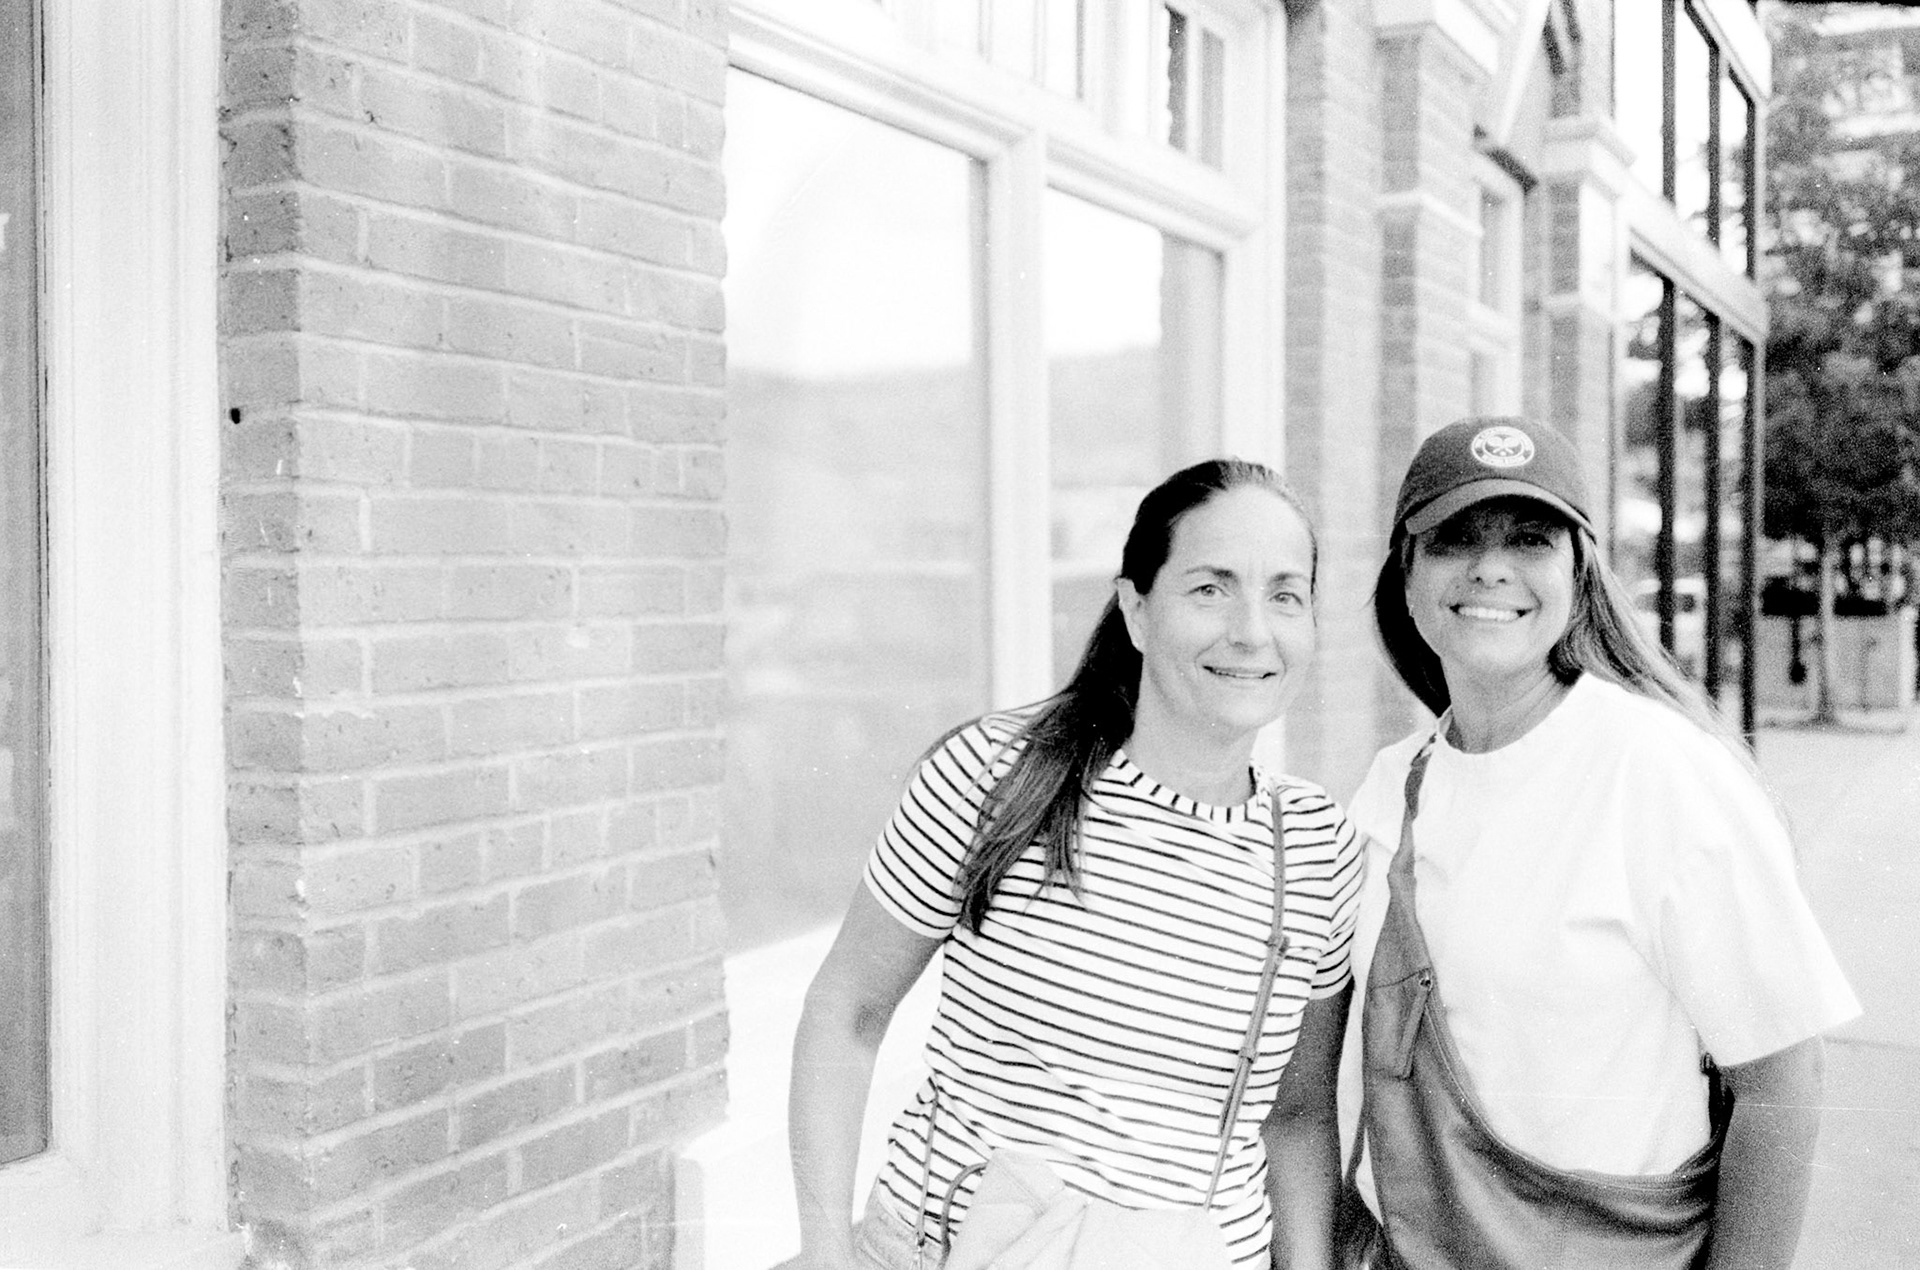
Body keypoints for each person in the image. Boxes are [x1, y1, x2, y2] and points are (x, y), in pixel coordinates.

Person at [789, 459, 1365, 1270]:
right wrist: (825, 1253)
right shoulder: (1000, 775)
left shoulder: (1315, 847)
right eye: (1210, 588)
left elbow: (1296, 1116)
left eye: (1285, 595)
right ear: (1137, 609)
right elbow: (848, 1009)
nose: (1251, 630)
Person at [1341, 416, 1860, 1269]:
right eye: (1453, 539)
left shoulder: (1659, 773)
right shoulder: (1390, 787)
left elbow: (1782, 1078)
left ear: (1578, 573)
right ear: (1406, 575)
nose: (1490, 568)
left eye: (1529, 539)